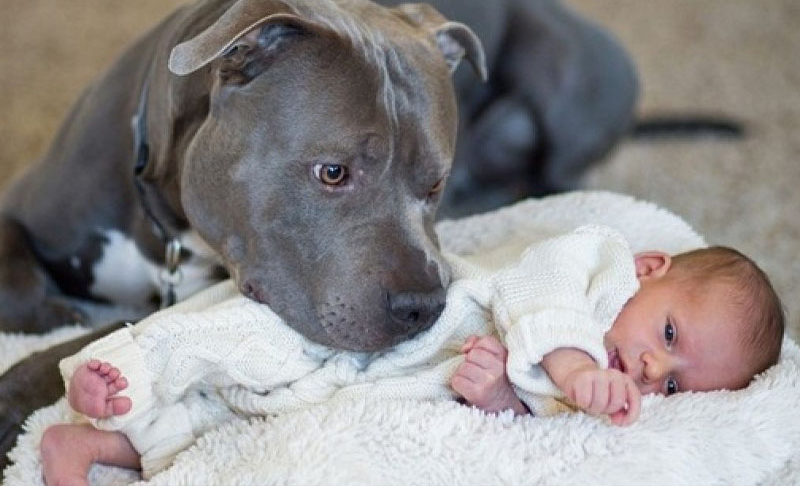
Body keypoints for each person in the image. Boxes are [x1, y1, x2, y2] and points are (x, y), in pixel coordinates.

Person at [39, 225, 785, 486]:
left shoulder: (599, 395)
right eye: (670, 337)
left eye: (680, 387)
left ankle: (102, 440)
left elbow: (530, 426)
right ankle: (133, 371)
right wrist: (570, 368)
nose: (656, 372)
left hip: (386, 381)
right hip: (384, 321)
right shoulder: (599, 264)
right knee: (249, 341)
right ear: (651, 270)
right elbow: (537, 288)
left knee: (254, 416)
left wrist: (498, 397)